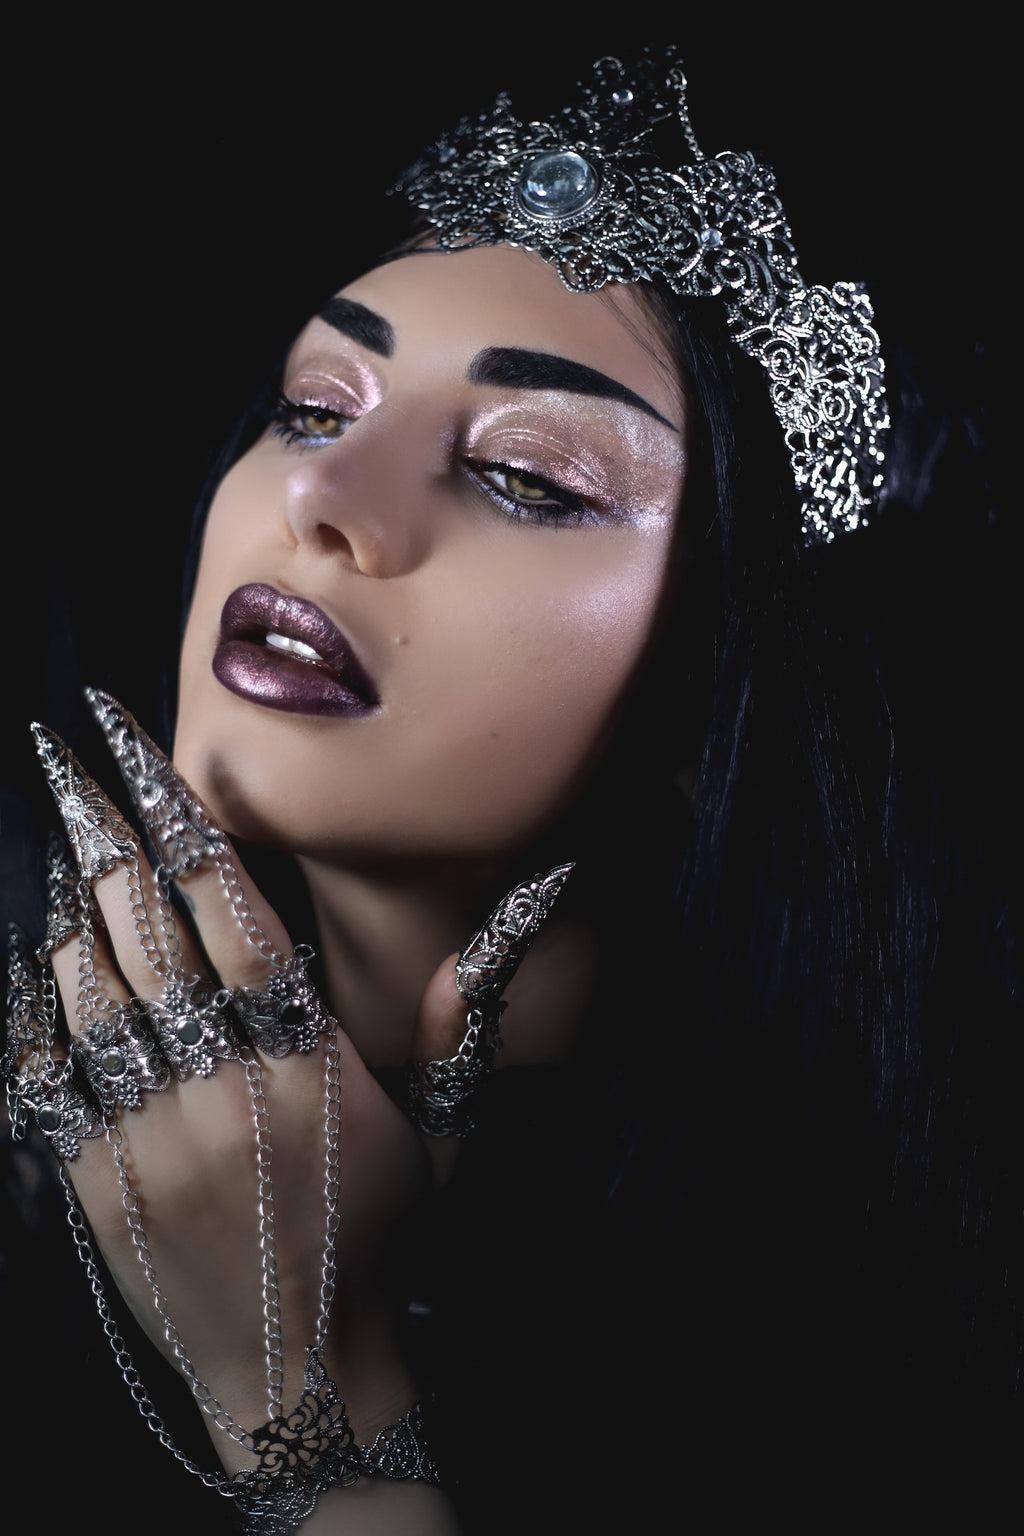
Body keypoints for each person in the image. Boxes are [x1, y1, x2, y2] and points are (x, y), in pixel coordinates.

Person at [3, 41, 1017, 1533]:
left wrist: (312, 1407)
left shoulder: (917, 1327)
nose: (323, 506)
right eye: (314, 405)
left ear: (725, 688)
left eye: (527, 477)